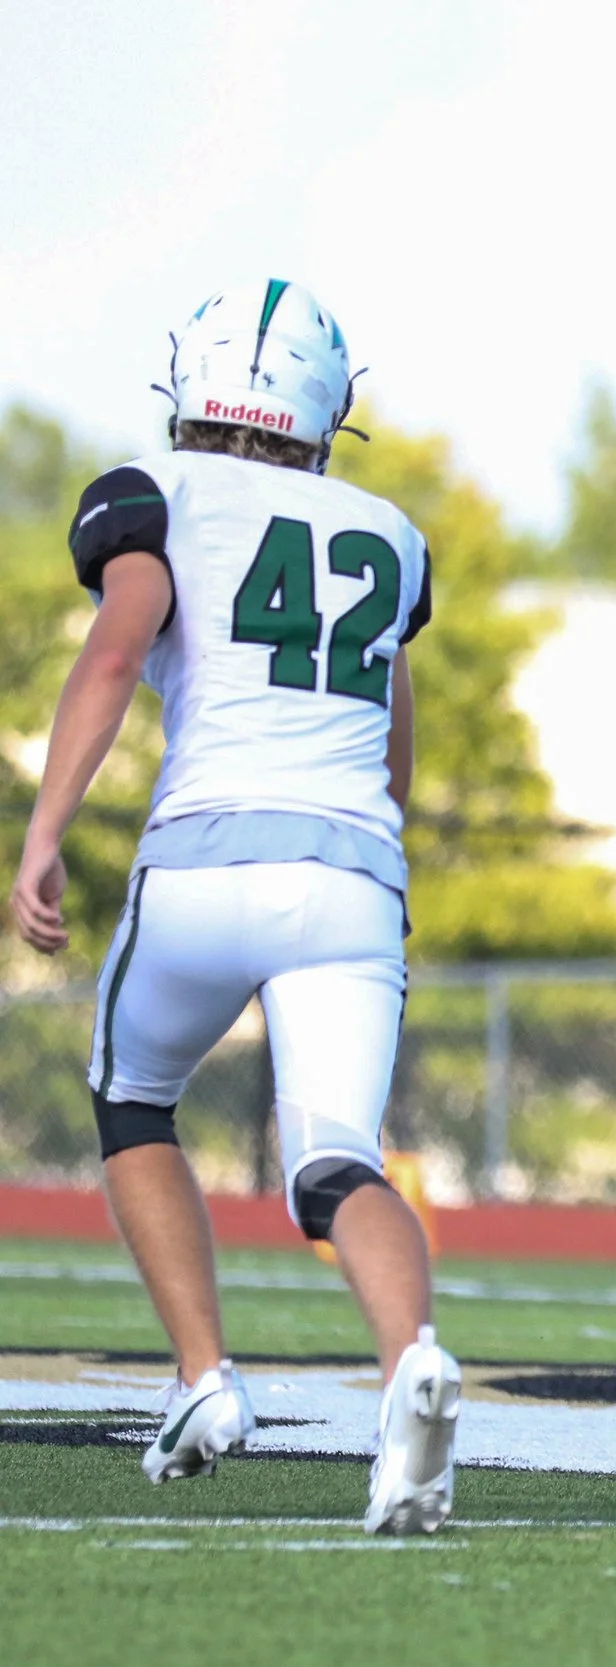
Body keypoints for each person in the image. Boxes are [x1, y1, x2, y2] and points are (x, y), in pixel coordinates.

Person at [9, 282, 457, 1534]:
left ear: (191, 382)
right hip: (351, 871)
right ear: (324, 408)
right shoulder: (389, 532)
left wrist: (44, 833)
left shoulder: (154, 491)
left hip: (205, 859)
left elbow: (117, 647)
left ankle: (205, 1375)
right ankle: (412, 1362)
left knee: (133, 1095)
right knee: (337, 1162)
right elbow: (392, 746)